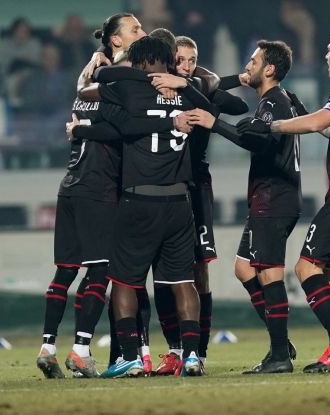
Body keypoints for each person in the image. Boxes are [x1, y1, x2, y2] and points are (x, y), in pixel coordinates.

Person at [238, 28, 330, 373]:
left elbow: (322, 120)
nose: (325, 56)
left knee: (306, 268)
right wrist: (303, 114)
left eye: (329, 50)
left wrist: (273, 126)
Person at [78, 36, 214, 378]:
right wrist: (181, 83)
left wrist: (112, 68)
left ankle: (130, 357)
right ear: (167, 61)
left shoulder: (129, 90)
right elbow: (216, 96)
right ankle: (193, 356)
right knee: (184, 281)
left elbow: (92, 87)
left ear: (137, 63)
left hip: (139, 199)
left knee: (124, 281)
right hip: (179, 202)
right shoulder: (186, 92)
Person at [35, 13, 147, 379]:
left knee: (65, 270)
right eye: (135, 30)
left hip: (70, 186)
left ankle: (47, 347)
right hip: (98, 189)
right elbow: (118, 129)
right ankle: (81, 349)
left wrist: (80, 124)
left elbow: (85, 110)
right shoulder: (116, 84)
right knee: (100, 270)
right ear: (116, 41)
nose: (142, 33)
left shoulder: (89, 79)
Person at [186, 39, 302, 374]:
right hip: (269, 197)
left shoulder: (273, 102)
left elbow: (256, 140)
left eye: (253, 61)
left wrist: (214, 123)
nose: (247, 66)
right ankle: (280, 343)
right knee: (244, 268)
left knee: (269, 272)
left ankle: (279, 354)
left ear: (269, 69)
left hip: (274, 198)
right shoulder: (283, 99)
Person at [150, 35, 248, 376]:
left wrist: (192, 84)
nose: (187, 65)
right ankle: (175, 350)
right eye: (181, 59)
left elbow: (238, 107)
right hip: (162, 185)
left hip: (196, 185)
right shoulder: (154, 91)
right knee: (162, 271)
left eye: (193, 60)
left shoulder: (199, 89)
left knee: (199, 268)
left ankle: (199, 352)